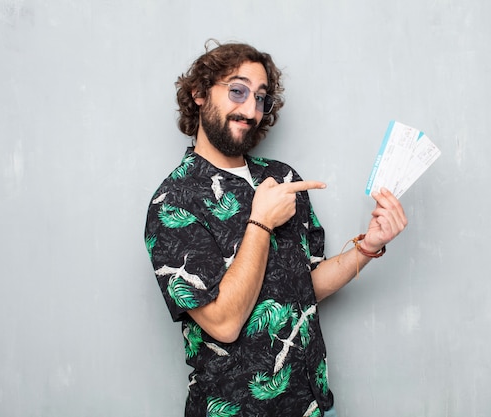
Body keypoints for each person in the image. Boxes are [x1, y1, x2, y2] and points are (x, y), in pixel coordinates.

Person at [144, 40, 407, 417]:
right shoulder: (172, 203)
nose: (250, 110)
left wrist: (368, 247)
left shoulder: (281, 179)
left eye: (260, 98)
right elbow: (224, 324)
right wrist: (260, 222)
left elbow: (306, 285)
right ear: (199, 93)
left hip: (311, 404)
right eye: (237, 90)